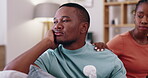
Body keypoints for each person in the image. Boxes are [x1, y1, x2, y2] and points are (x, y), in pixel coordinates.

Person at [3, 3, 126, 78]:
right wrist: (45, 42)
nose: (57, 26)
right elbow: (9, 74)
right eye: (55, 22)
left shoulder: (108, 59)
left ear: (83, 27)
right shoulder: (50, 56)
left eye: (65, 20)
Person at [94, 0, 148, 78]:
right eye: (140, 16)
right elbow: (100, 61)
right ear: (134, 17)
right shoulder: (121, 40)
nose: (144, 21)